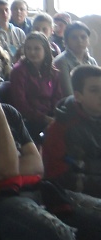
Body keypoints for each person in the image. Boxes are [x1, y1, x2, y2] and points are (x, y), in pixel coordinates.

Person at [0, 48, 101, 239]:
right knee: (60, 235)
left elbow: (37, 164)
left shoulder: (9, 112)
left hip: (34, 188)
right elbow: (10, 167)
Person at [43, 65, 101, 198]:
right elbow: (59, 177)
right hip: (72, 195)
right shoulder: (60, 128)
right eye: (94, 90)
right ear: (78, 96)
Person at [9, 31, 64, 141]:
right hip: (28, 120)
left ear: (46, 50)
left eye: (37, 49)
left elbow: (57, 97)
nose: (32, 52)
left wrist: (54, 115)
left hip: (50, 116)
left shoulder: (52, 70)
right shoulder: (19, 70)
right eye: (28, 48)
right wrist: (44, 118)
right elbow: (20, 104)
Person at [54, 22, 98, 95]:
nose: (79, 41)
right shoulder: (61, 61)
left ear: (88, 40)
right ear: (66, 41)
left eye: (83, 37)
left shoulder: (91, 61)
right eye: (74, 37)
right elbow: (68, 93)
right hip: (72, 101)